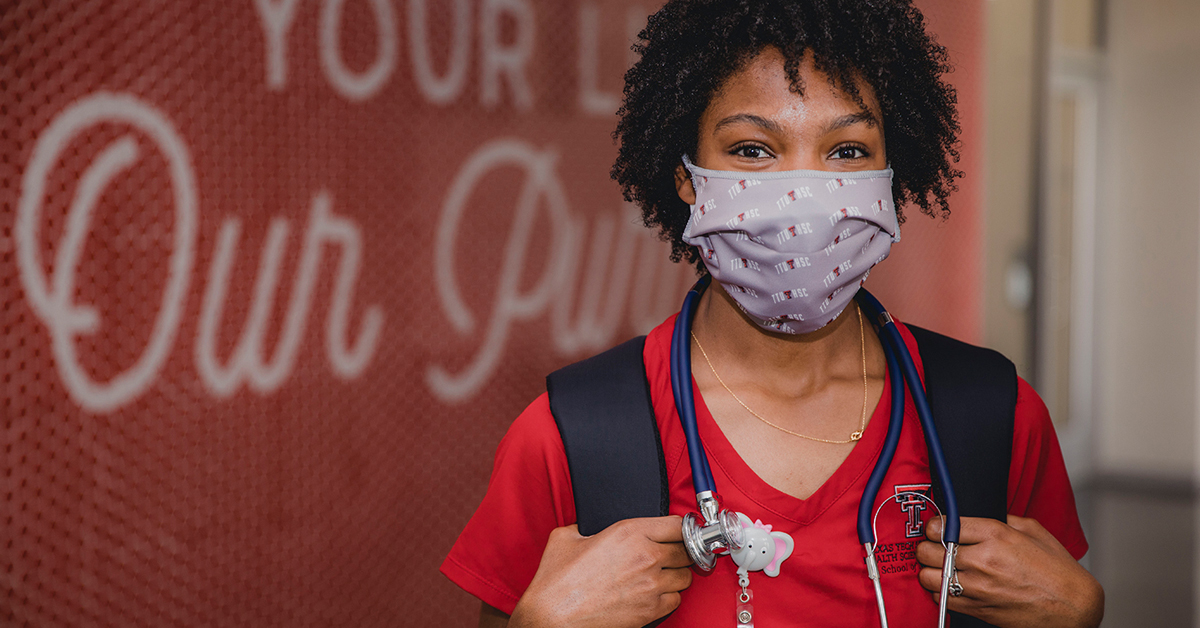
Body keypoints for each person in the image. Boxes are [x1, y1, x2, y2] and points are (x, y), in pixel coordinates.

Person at [441, 1, 1105, 626]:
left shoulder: (994, 416)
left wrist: (1080, 615)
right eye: (752, 149)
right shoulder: (570, 437)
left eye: (847, 151)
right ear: (686, 176)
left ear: (890, 181)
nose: (802, 195)